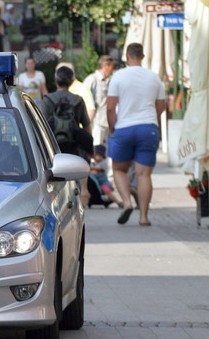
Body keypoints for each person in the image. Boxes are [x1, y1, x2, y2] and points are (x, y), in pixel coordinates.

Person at [106, 43, 166, 227]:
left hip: (124, 128)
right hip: (148, 128)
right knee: (144, 175)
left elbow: (110, 107)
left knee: (118, 169)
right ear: (143, 55)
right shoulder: (154, 78)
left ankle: (127, 202)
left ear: (127, 55)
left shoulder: (118, 76)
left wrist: (112, 127)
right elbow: (161, 106)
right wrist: (152, 121)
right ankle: (144, 217)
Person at [41, 65, 92, 157]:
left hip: (51, 148)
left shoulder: (47, 99)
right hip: (73, 148)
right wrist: (89, 148)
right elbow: (87, 126)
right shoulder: (78, 100)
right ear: (72, 82)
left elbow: (42, 125)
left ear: (56, 80)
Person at [81, 56, 116, 146]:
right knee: (96, 149)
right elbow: (84, 100)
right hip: (97, 123)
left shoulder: (110, 81)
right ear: (106, 66)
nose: (113, 69)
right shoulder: (92, 80)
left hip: (108, 123)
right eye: (112, 66)